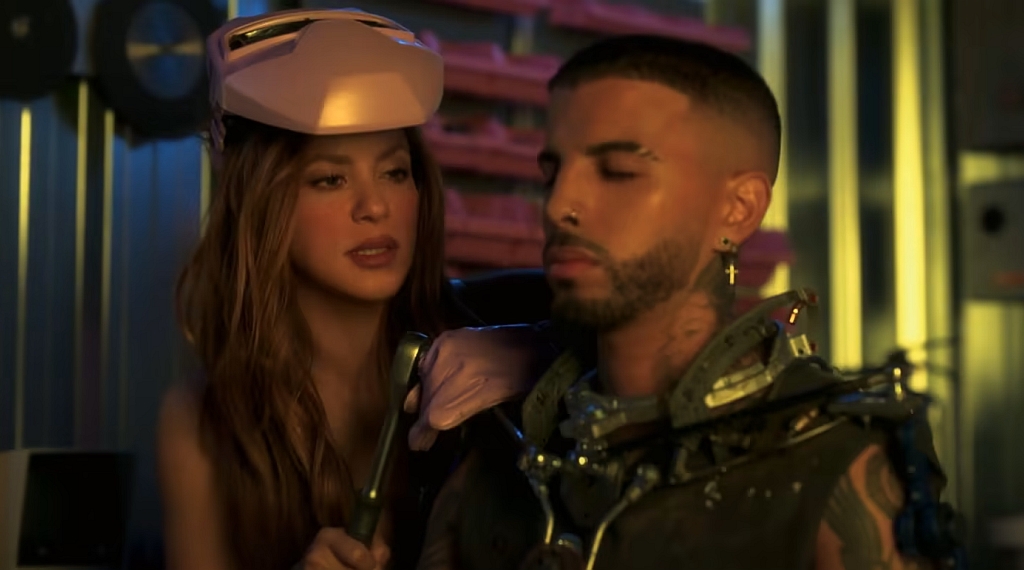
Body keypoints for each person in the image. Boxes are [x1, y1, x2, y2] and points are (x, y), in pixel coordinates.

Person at [413, 35, 965, 570]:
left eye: (618, 173)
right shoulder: (511, 441)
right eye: (552, 173)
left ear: (738, 209)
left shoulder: (829, 459)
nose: (560, 206)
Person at [156, 9, 553, 570]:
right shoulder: (203, 422)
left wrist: (539, 352)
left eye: (394, 172)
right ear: (261, 202)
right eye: (331, 179)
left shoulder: (504, 330)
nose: (375, 207)